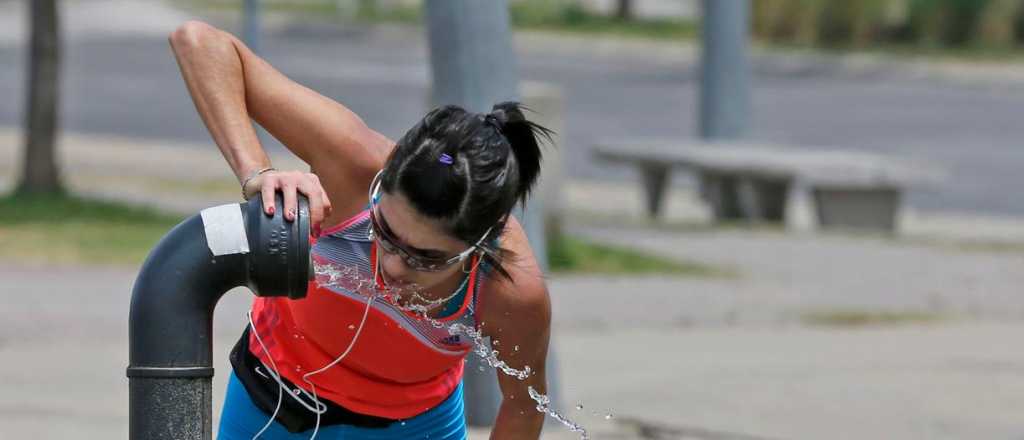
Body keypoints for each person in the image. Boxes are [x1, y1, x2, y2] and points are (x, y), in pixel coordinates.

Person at [169, 21, 553, 440]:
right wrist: (257, 172)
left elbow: (523, 406)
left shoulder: (510, 289)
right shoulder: (351, 162)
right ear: (381, 181)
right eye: (385, 232)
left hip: (415, 428)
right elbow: (199, 42)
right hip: (272, 401)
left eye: (426, 258)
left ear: (480, 245)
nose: (394, 266)